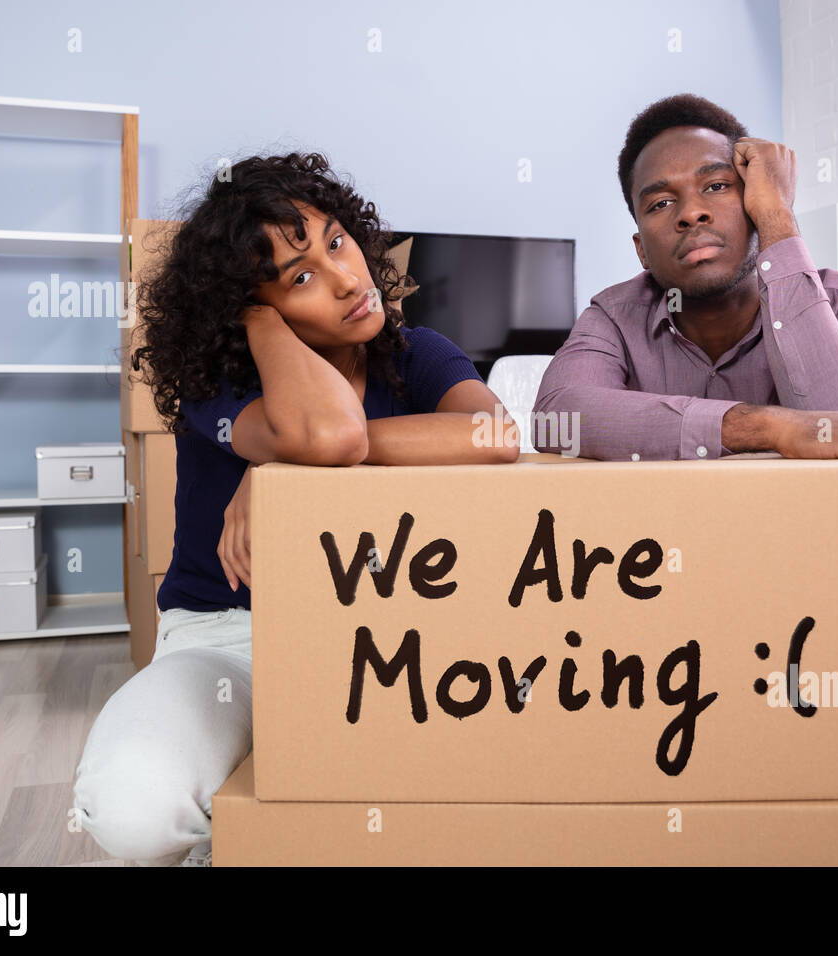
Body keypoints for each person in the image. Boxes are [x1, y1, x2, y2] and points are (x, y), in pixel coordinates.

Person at [532, 94, 838, 865]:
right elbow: (560, 412)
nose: (690, 214)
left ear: (757, 197)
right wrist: (761, 426)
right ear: (641, 246)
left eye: (716, 187)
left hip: (811, 595)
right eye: (661, 203)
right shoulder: (614, 315)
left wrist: (782, 230)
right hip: (654, 597)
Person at [73, 152, 519, 866]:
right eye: (299, 278)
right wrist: (260, 333)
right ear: (253, 309)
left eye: (337, 242)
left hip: (388, 634)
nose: (346, 280)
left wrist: (282, 469)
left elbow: (496, 436)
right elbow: (327, 433)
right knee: (135, 809)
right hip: (229, 639)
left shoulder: (416, 353)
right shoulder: (218, 382)